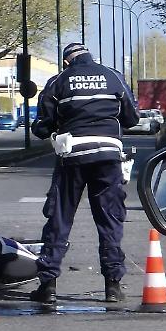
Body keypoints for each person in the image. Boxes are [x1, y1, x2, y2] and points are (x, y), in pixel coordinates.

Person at [29, 42, 139, 304]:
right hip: (108, 157)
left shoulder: (59, 80)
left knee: (60, 219)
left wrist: (54, 128)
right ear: (91, 57)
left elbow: (41, 126)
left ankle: (48, 286)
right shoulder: (113, 76)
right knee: (110, 220)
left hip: (72, 157)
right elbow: (132, 117)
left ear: (67, 61)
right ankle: (113, 286)